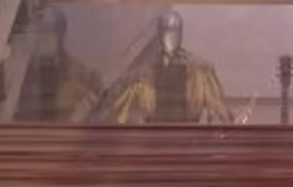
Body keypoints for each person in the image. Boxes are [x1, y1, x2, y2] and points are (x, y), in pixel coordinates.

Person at [96, 8, 236, 124]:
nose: (172, 38)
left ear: (181, 33)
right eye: (168, 32)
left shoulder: (200, 70)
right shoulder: (143, 73)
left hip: (190, 140)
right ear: (160, 34)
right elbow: (122, 111)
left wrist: (227, 129)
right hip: (155, 141)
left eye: (176, 32)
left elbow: (219, 109)